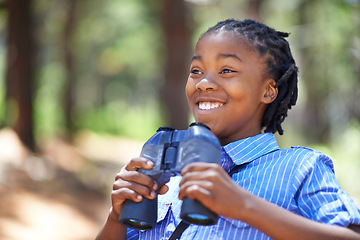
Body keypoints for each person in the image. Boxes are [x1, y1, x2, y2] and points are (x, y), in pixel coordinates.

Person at [96, 19, 360, 240]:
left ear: (268, 90)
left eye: (226, 70)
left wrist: (244, 205)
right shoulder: (169, 175)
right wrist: (116, 218)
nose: (203, 83)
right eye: (196, 70)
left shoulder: (299, 168)